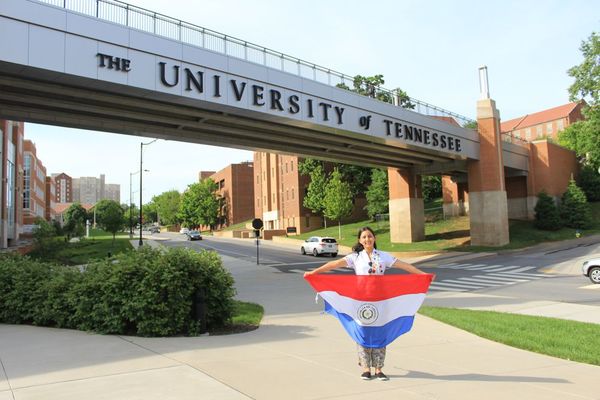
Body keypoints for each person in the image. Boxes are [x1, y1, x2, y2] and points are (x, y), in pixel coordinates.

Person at [304, 226, 428, 381]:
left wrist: (424, 276)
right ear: (360, 240)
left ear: (374, 238)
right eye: (364, 237)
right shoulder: (355, 257)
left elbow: (404, 266)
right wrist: (314, 273)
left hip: (381, 300)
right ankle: (365, 368)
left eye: (370, 236)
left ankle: (379, 369)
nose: (367, 239)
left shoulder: (383, 256)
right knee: (363, 331)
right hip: (361, 300)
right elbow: (334, 264)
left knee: (380, 332)